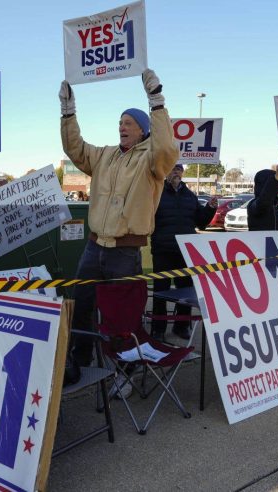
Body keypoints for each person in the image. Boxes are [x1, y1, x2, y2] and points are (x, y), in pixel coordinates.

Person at [59, 68, 179, 369]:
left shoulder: (152, 160)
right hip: (93, 248)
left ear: (142, 129)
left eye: (129, 123)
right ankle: (80, 359)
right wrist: (68, 111)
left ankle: (123, 369)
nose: (122, 127)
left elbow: (166, 147)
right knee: (81, 305)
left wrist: (157, 101)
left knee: (123, 316)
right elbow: (74, 148)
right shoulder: (105, 155)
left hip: (125, 252)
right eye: (120, 123)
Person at [150, 164, 217, 341]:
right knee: (160, 291)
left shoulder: (190, 196)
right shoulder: (156, 193)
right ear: (166, 172)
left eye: (179, 169)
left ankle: (181, 326)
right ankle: (158, 329)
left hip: (185, 252)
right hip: (163, 250)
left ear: (183, 172)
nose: (176, 171)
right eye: (172, 168)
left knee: (186, 292)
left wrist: (210, 208)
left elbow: (201, 223)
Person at [247, 162, 278, 252]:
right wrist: (275, 179)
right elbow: (265, 200)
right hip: (264, 259)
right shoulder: (254, 205)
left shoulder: (277, 208)